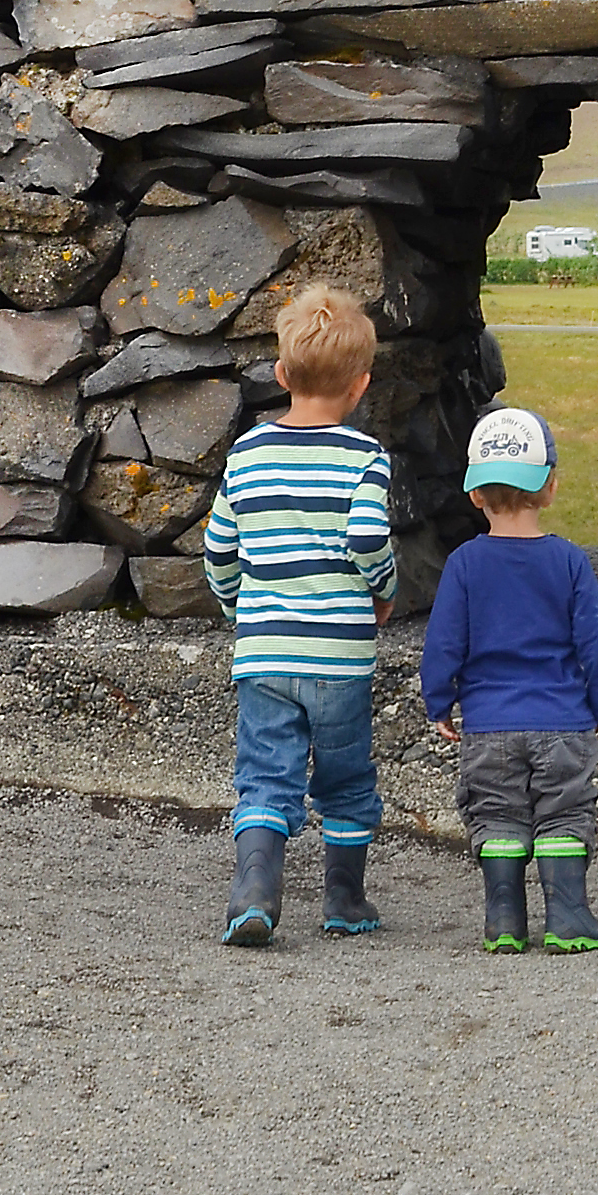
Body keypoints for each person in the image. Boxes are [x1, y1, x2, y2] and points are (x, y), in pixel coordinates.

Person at [201, 281, 396, 949]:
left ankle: (254, 891)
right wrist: (385, 588)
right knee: (345, 780)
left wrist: (238, 609)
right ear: (361, 384)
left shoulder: (247, 455)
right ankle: (345, 900)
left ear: (282, 374)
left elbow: (219, 548)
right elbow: (369, 537)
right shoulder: (364, 459)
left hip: (263, 653)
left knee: (264, 774)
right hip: (341, 656)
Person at [420, 404, 598, 955]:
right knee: (564, 811)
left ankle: (505, 920)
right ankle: (568, 916)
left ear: (475, 494)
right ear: (551, 488)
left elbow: (444, 642)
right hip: (563, 723)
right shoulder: (568, 562)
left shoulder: (464, 564)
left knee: (497, 815)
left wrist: (439, 701)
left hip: (487, 728)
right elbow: (596, 645)